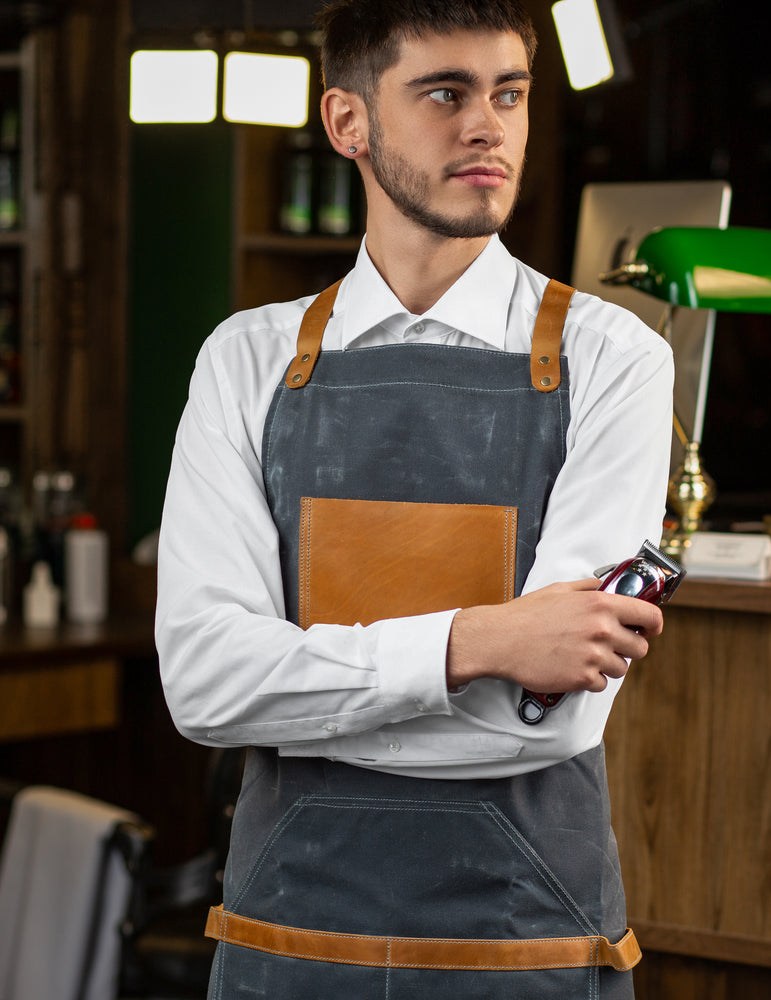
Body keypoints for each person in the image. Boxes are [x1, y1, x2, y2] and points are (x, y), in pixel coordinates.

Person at [155, 1, 674, 996]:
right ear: (348, 122)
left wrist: (297, 690)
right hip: (286, 943)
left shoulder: (614, 359)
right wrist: (481, 643)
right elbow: (204, 687)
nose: (488, 126)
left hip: (524, 945)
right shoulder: (245, 360)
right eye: (445, 92)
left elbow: (555, 718)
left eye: (509, 94)